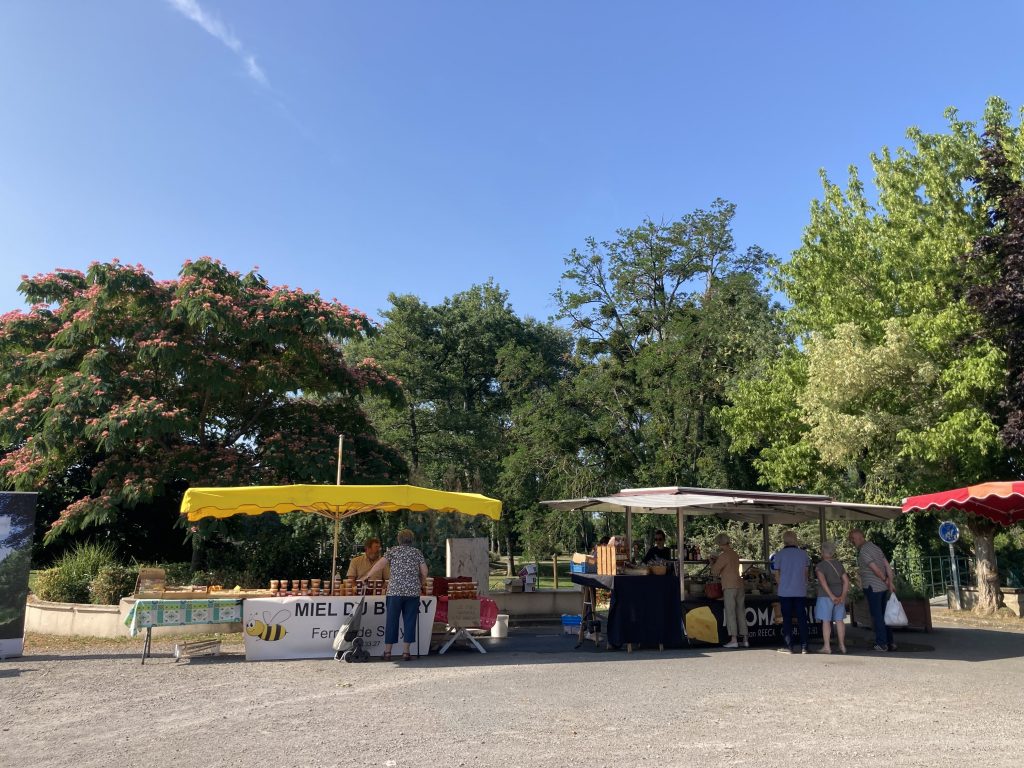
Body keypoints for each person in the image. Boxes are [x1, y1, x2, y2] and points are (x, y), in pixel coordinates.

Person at [360, 529, 427, 661]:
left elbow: (379, 565)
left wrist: (366, 576)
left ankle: (387, 652)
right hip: (412, 592)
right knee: (410, 621)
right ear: (411, 540)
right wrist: (421, 584)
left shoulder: (393, 551)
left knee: (392, 620)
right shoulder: (417, 552)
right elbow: (424, 571)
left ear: (399, 539)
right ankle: (406, 652)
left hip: (394, 592)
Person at [849, 529, 896, 652]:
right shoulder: (875, 547)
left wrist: (885, 579)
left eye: (852, 539)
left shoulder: (864, 551)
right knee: (885, 614)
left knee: (877, 616)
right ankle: (890, 642)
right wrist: (890, 582)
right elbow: (887, 565)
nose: (851, 542)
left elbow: (875, 569)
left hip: (873, 587)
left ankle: (881, 643)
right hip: (883, 588)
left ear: (858, 538)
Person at [772, 530, 811, 654]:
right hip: (800, 590)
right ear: (796, 539)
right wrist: (803, 584)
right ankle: (805, 646)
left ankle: (789, 646)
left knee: (787, 619)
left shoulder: (779, 555)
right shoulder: (803, 555)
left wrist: (782, 585)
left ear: (784, 540)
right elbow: (806, 573)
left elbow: (777, 575)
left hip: (785, 591)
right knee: (802, 618)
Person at [710, 533, 747, 648]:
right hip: (739, 584)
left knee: (730, 612)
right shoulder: (735, 554)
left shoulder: (724, 555)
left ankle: (734, 639)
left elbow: (714, 571)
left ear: (720, 543)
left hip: (729, 586)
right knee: (741, 611)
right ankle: (745, 639)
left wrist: (712, 562)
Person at [814, 541, 850, 654]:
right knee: (839, 621)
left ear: (823, 552)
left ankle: (827, 647)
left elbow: (823, 583)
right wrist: (842, 596)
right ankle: (842, 646)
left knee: (826, 621)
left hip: (826, 597)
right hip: (840, 595)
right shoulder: (839, 564)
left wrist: (832, 596)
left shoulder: (820, 566)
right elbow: (846, 581)